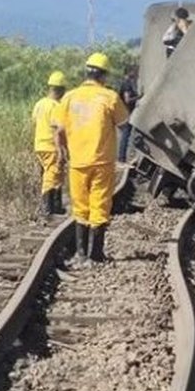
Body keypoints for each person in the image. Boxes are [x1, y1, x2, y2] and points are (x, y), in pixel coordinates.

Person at [51, 52, 129, 265]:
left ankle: (81, 254)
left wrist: (62, 151)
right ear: (103, 76)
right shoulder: (109, 97)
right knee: (100, 205)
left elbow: (58, 129)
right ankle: (96, 255)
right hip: (102, 162)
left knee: (80, 207)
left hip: (77, 163)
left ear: (86, 73)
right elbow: (124, 124)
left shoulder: (68, 97)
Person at [32, 71, 67, 216]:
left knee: (55, 175)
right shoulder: (55, 106)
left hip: (39, 145)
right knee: (50, 176)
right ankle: (47, 209)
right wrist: (60, 151)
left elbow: (34, 122)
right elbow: (56, 130)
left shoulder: (39, 104)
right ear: (60, 90)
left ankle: (56, 207)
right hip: (50, 146)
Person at [116, 65, 139, 162]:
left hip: (125, 113)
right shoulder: (126, 84)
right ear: (129, 72)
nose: (137, 73)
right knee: (125, 135)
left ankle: (123, 157)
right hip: (126, 113)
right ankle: (121, 158)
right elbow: (127, 100)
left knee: (127, 135)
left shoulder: (126, 83)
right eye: (134, 71)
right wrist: (139, 97)